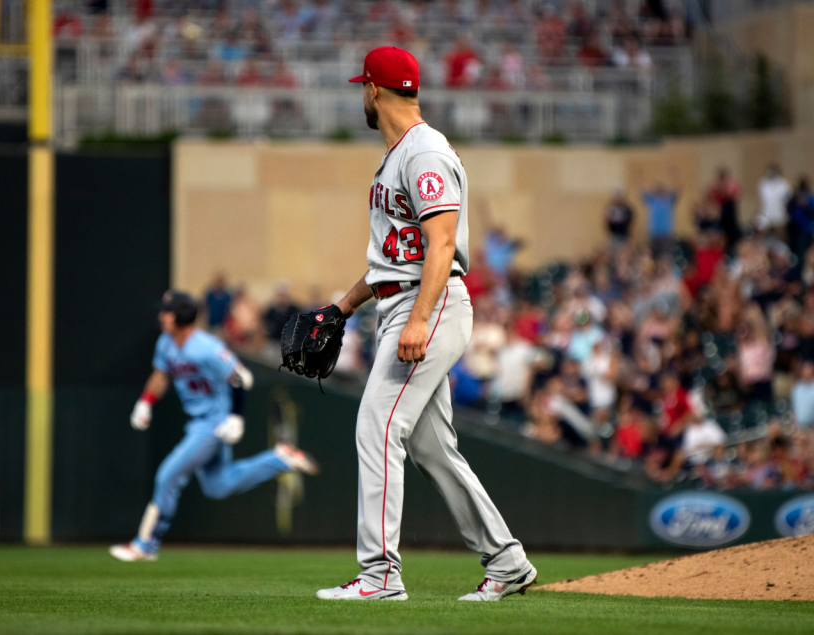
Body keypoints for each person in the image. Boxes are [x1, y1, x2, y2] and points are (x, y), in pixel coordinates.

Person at [315, 46, 536, 602]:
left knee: (378, 427)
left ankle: (380, 576)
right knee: (434, 448)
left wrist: (417, 322)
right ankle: (507, 562)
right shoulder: (400, 155)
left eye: (361, 88)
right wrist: (341, 307)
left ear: (373, 90)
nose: (361, 97)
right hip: (408, 300)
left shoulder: (423, 153)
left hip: (427, 308)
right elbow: (396, 258)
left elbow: (441, 245)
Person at [109, 291, 319, 562]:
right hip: (198, 420)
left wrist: (235, 416)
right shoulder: (166, 343)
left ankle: (146, 544)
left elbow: (241, 378)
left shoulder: (204, 346)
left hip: (214, 421)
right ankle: (280, 459)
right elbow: (161, 376)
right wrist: (146, 402)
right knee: (218, 485)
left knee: (168, 475)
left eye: (167, 311)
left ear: (180, 316)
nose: (162, 315)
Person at [757, 163, 792, 236]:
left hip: (780, 217)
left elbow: (788, 201)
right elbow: (761, 201)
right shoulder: (763, 184)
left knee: (780, 238)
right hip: (766, 217)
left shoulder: (784, 184)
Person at [792, 360, 814, 429]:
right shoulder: (797, 387)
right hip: (800, 426)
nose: (806, 370)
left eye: (809, 368)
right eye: (805, 368)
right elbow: (795, 407)